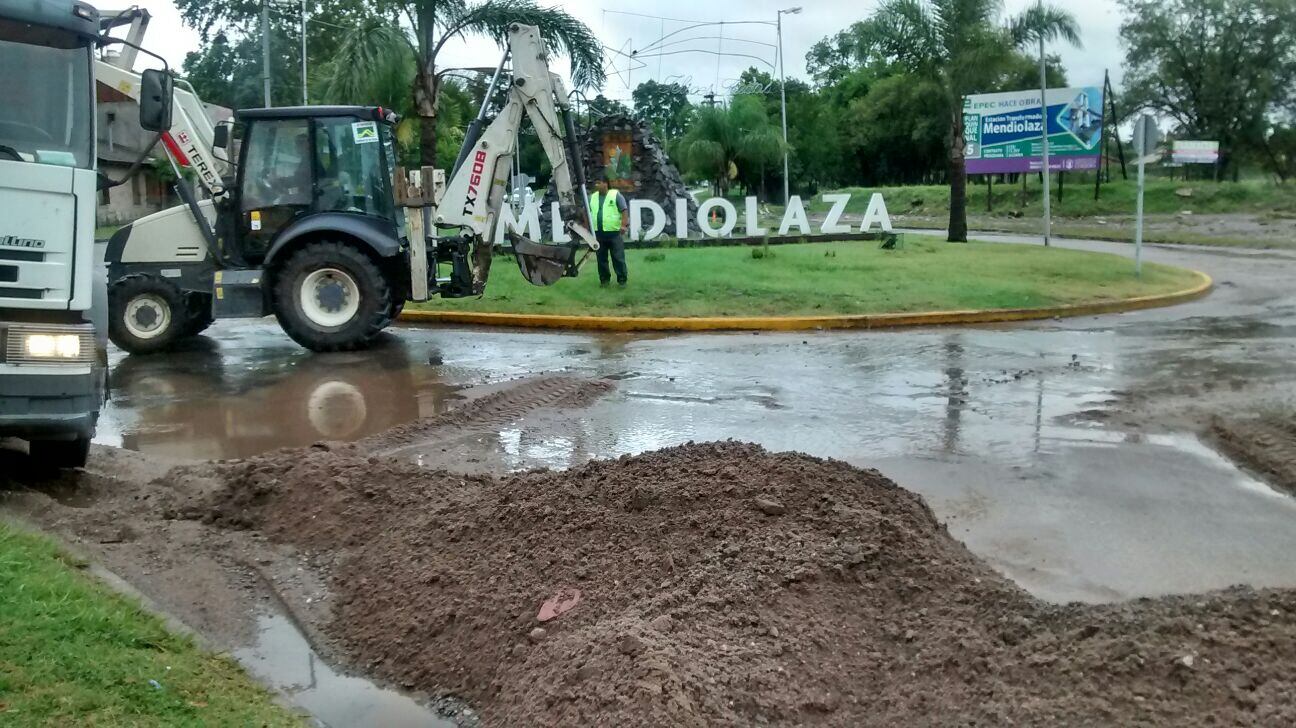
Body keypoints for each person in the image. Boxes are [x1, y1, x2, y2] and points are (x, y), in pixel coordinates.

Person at [588, 177, 629, 287]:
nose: (597, 185)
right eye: (596, 183)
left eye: (599, 182)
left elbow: (624, 210)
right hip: (599, 234)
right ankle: (604, 280)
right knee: (601, 259)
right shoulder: (592, 197)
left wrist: (624, 225)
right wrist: (587, 227)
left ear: (605, 184)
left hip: (614, 234)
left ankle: (622, 280)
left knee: (618, 258)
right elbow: (586, 212)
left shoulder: (616, 195)